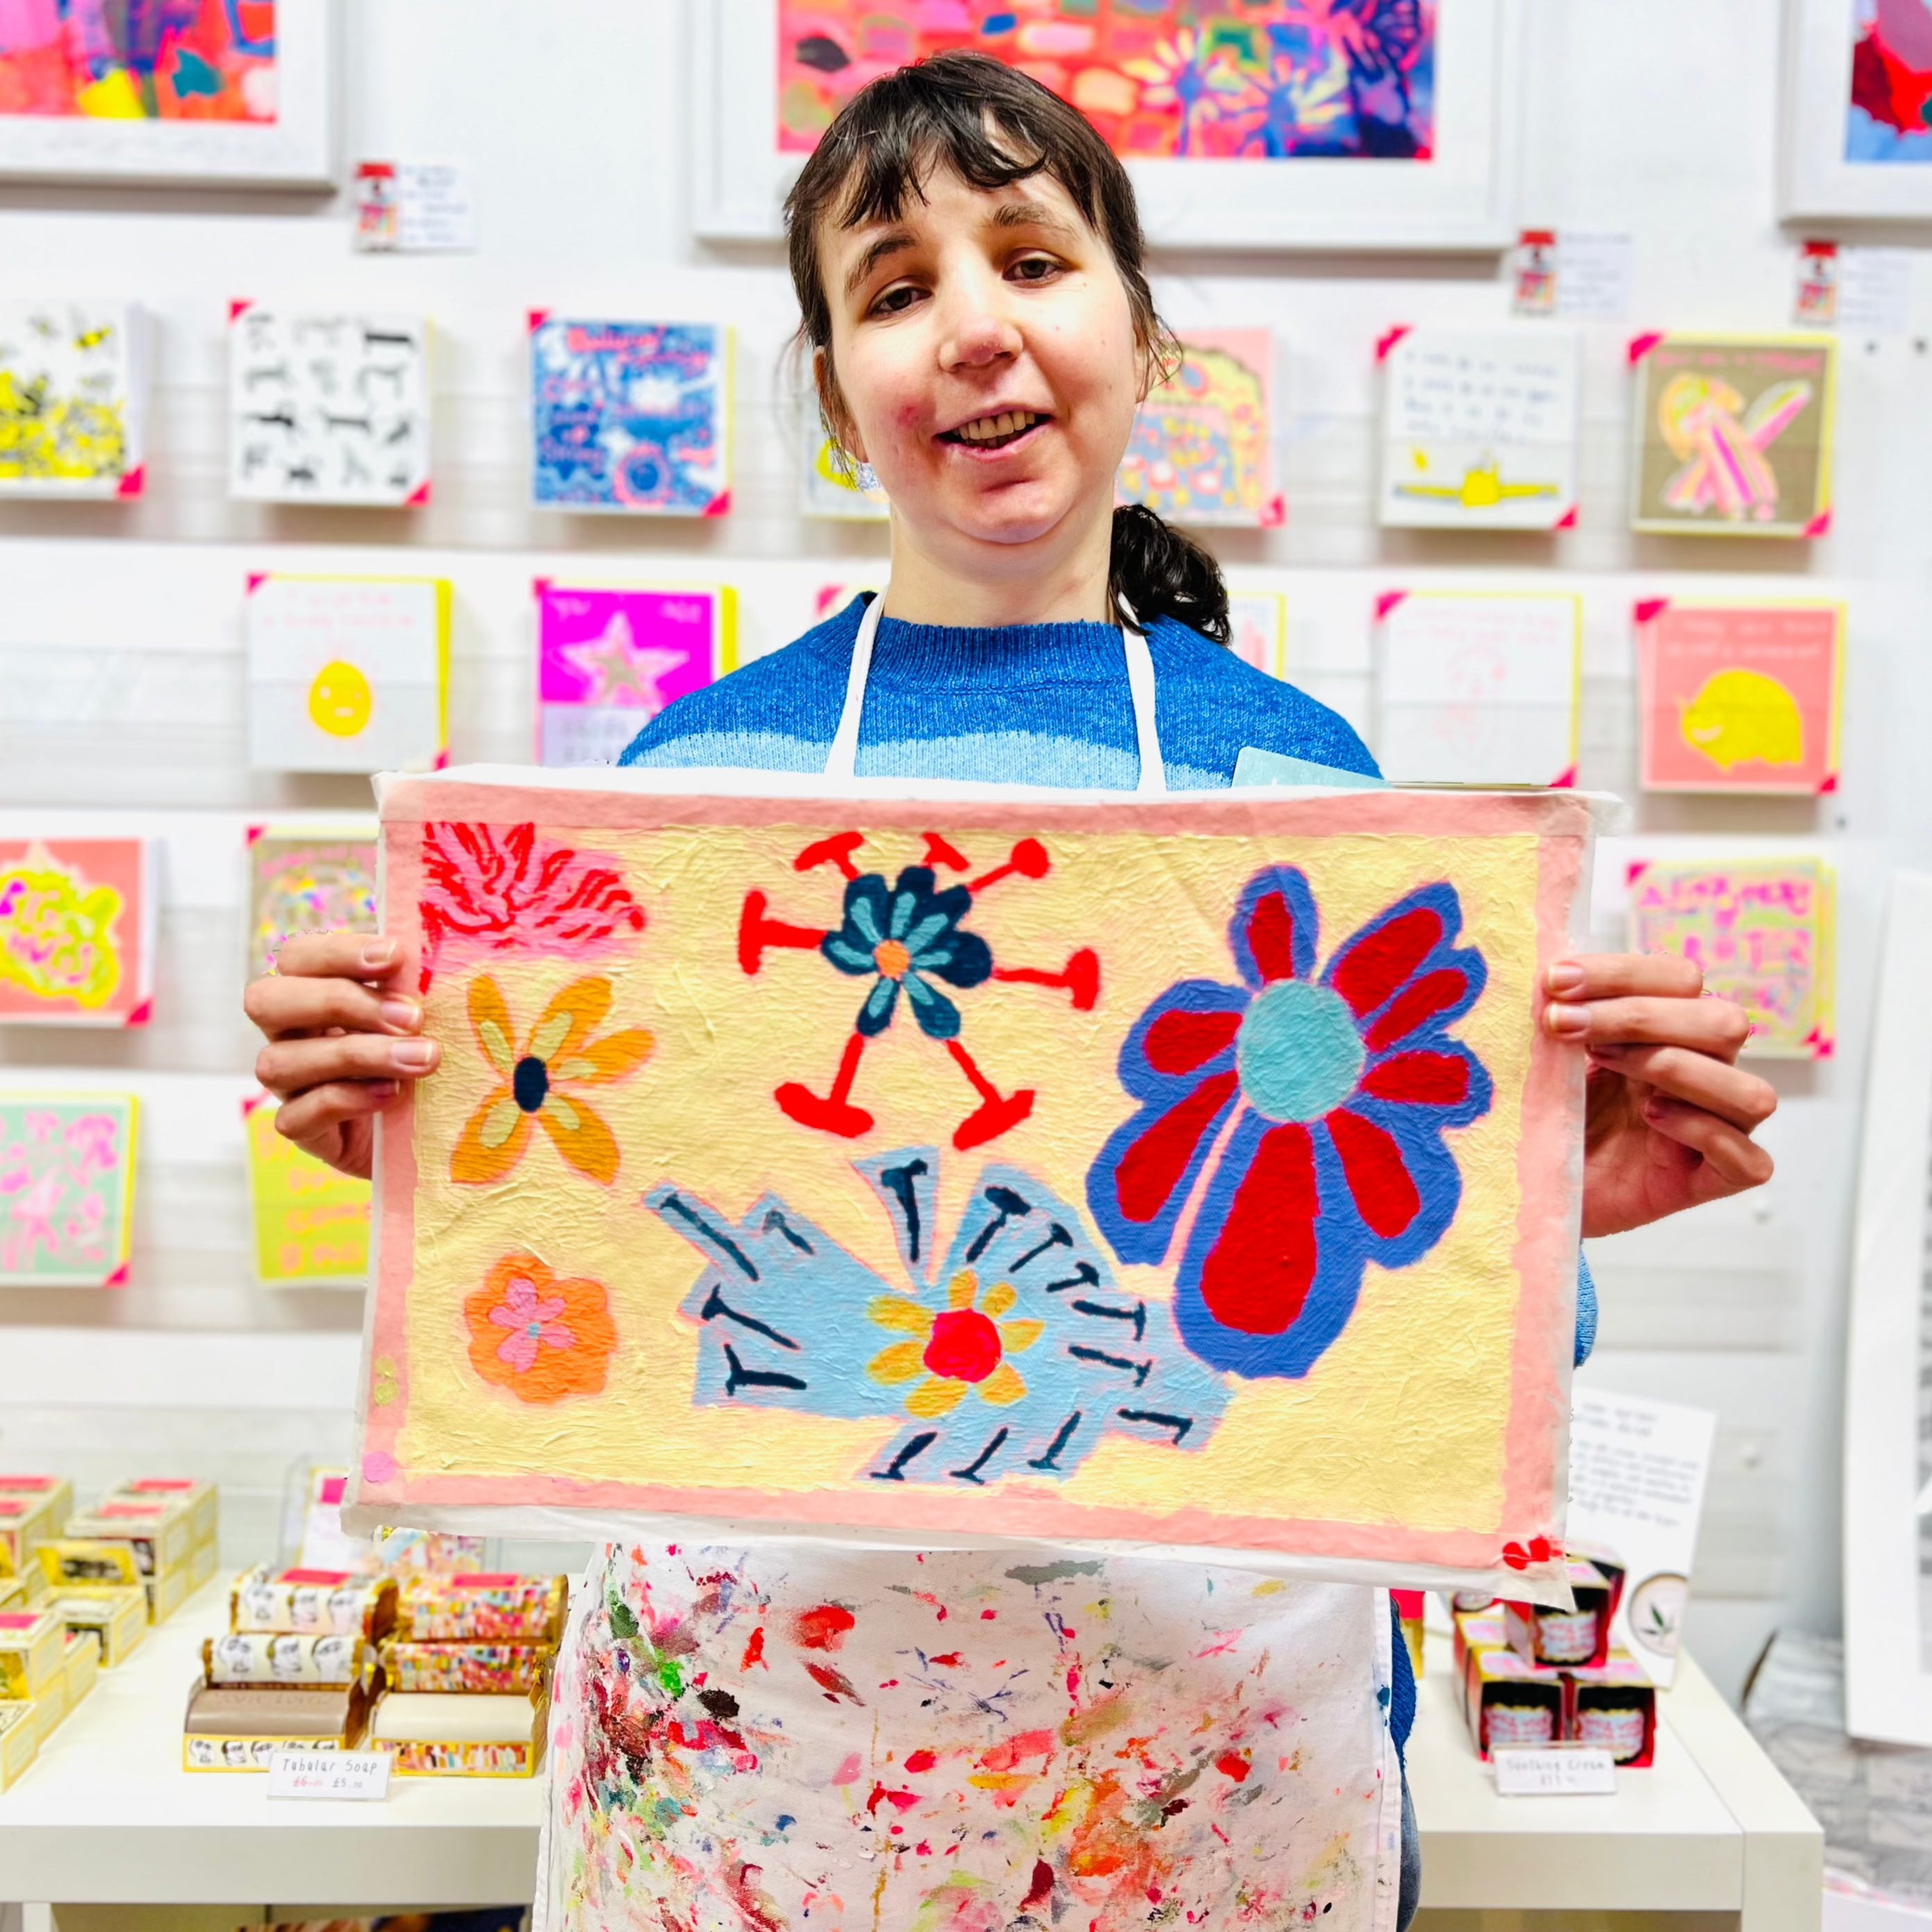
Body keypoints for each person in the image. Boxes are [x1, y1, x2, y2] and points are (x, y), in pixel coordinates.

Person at [246, 53, 1778, 1932]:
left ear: (1138, 335)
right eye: (896, 290)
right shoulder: (682, 786)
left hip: (1199, 1772)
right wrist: (410, 1141)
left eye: (1034, 260)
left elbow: (1380, 1345)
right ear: (835, 394)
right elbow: (615, 1243)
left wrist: (1556, 1220)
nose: (974, 329)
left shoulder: (1318, 801)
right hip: (757, 1781)